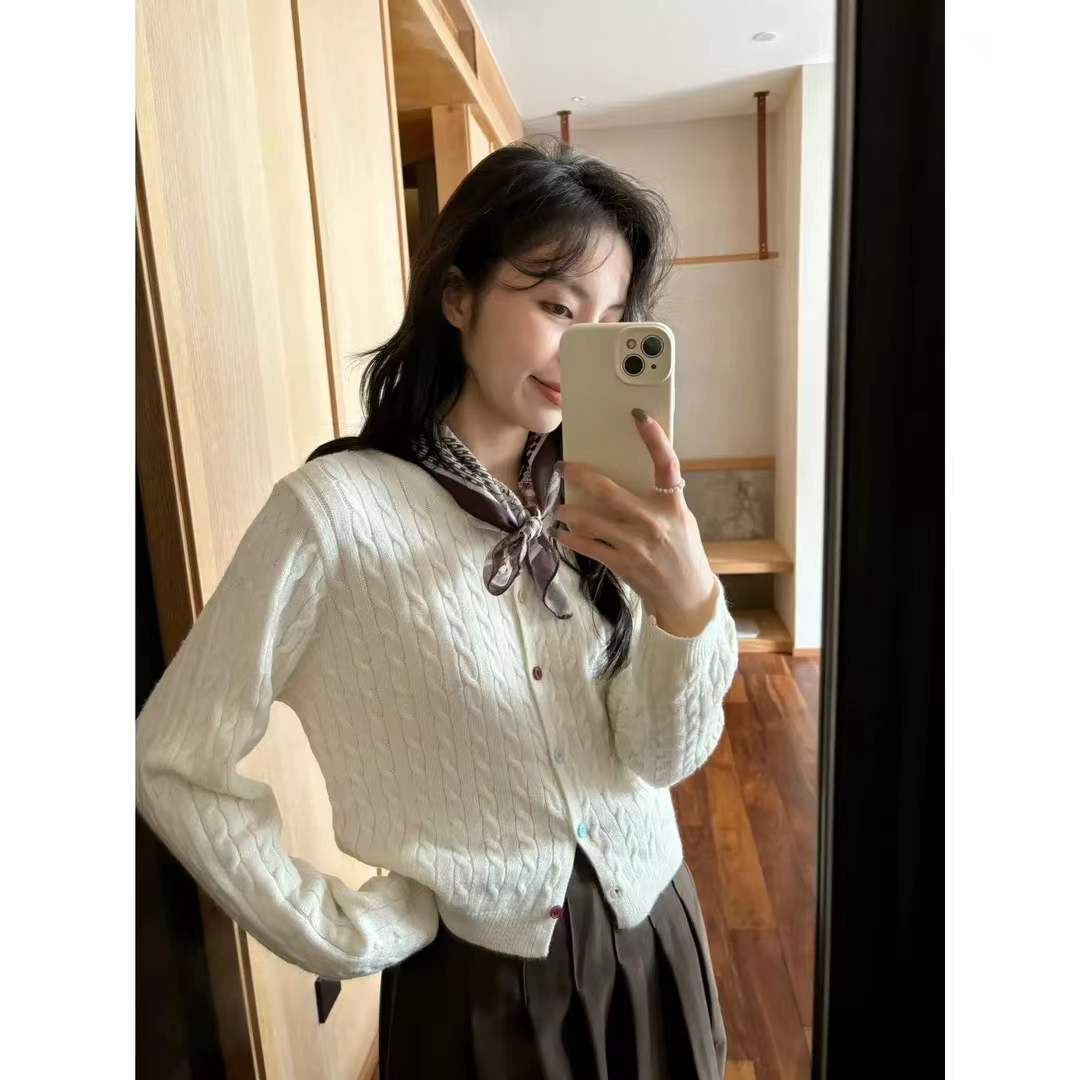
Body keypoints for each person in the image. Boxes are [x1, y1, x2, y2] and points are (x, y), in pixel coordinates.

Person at [135, 135, 739, 1079]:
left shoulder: (607, 502)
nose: (580, 347)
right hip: (480, 987)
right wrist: (337, 929)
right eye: (555, 306)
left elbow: (661, 757)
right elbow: (174, 757)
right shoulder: (333, 518)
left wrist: (688, 606)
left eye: (610, 321)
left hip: (653, 926)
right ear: (458, 296)